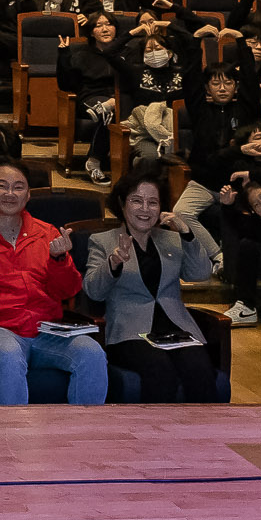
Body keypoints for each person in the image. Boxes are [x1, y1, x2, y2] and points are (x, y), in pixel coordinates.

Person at [0, 156, 107, 405]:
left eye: (18, 187)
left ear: (28, 194)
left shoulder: (47, 233)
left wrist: (59, 260)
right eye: (2, 185)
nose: (10, 193)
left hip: (46, 330)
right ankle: (13, 438)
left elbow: (68, 290)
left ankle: (83, 436)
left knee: (91, 352)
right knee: (8, 354)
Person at [82, 163, 220, 403]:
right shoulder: (103, 241)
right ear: (122, 203)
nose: (145, 209)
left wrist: (187, 234)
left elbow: (200, 273)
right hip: (129, 332)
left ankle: (201, 437)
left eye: (152, 203)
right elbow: (93, 290)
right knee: (160, 371)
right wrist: (113, 263)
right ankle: (155, 438)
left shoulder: (172, 239)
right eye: (137, 201)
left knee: (200, 370)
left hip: (175, 328)